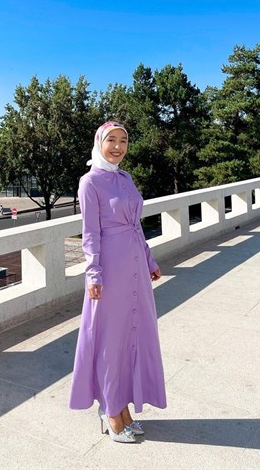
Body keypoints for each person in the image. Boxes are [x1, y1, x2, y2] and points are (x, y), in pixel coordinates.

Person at [69, 121, 167, 443]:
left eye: (123, 140)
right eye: (111, 140)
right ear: (99, 143)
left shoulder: (125, 178)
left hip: (136, 266)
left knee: (133, 336)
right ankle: (110, 410)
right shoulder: (89, 182)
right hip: (110, 270)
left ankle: (122, 407)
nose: (118, 146)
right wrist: (93, 273)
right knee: (111, 342)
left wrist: (149, 259)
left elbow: (136, 225)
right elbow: (90, 233)